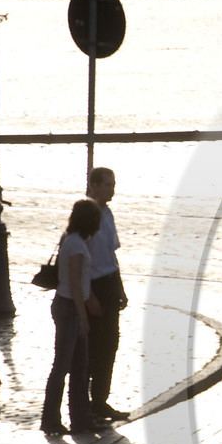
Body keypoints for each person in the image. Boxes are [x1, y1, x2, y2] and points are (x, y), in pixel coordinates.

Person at [41, 197, 102, 438]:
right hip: (70, 308)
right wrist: (83, 316)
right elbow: (76, 284)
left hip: (67, 305)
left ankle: (80, 418)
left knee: (79, 365)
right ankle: (51, 419)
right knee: (64, 365)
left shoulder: (71, 239)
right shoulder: (76, 245)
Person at [84, 166, 129, 422]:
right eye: (109, 184)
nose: (113, 189)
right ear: (95, 186)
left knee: (110, 343)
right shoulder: (86, 215)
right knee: (94, 346)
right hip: (94, 286)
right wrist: (88, 295)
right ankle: (87, 403)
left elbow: (112, 254)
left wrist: (120, 287)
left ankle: (101, 401)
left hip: (109, 282)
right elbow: (82, 259)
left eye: (114, 183)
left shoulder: (108, 213)